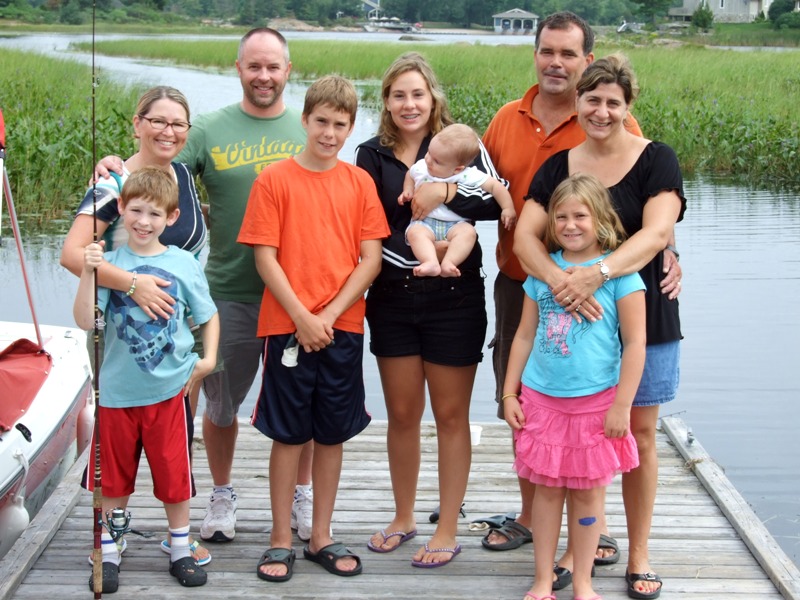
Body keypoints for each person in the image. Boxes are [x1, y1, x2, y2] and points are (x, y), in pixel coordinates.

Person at [93, 28, 318, 546]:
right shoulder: (207, 130)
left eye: (274, 67)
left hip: (298, 296)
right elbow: (154, 161)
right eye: (254, 66)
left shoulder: (308, 128)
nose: (264, 76)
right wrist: (108, 169)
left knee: (302, 404)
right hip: (229, 291)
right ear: (238, 68)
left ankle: (304, 494)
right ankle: (221, 493)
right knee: (220, 406)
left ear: (288, 70)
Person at [478, 12, 679, 583]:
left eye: (612, 103)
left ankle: (636, 552)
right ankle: (565, 551)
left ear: (624, 104)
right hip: (562, 310)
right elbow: (522, 234)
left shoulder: (653, 155)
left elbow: (658, 231)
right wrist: (563, 285)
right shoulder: (556, 166)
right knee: (560, 429)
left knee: (635, 430)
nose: (601, 112)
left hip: (639, 304)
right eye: (593, 103)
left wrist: (596, 274)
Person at [355, 51, 505, 567]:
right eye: (399, 94)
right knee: (401, 414)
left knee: (450, 415)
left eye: (418, 93)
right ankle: (403, 516)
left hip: (454, 296)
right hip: (394, 295)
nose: (409, 103)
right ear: (387, 102)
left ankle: (445, 525)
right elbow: (373, 221)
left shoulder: (463, 146)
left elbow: (492, 204)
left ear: (432, 97)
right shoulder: (370, 154)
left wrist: (442, 189)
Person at [238, 75, 389, 582]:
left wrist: (326, 315)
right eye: (321, 121)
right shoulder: (274, 180)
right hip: (286, 326)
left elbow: (370, 261)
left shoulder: (359, 183)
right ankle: (281, 537)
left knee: (331, 435)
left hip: (342, 325)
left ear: (350, 128)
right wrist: (303, 316)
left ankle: (320, 533)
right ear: (304, 120)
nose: (329, 133)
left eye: (340, 125)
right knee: (288, 433)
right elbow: (265, 257)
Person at [61, 85, 212, 567]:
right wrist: (133, 286)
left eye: (178, 123)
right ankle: (113, 537)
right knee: (120, 455)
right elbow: (72, 256)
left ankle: (179, 536)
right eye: (158, 120)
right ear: (137, 122)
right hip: (125, 338)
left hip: (178, 344)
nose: (168, 131)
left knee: (173, 450)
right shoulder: (113, 182)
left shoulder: (182, 175)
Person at [74, 167, 220, 593]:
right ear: (120, 209)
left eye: (154, 214)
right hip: (116, 394)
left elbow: (207, 316)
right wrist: (88, 271)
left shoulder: (183, 263)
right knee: (113, 479)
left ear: (171, 218)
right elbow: (86, 319)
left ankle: (179, 547)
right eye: (135, 210)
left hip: (168, 392)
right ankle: (110, 549)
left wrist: (207, 360)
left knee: (174, 475)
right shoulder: (110, 264)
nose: (143, 221)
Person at [504, 173, 645, 600]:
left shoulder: (622, 275)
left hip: (595, 404)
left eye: (580, 216)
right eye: (561, 217)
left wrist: (622, 405)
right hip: (543, 401)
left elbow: (636, 342)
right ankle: (543, 580)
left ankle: (583, 582)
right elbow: (524, 335)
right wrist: (510, 392)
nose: (569, 225)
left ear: (600, 218)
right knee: (547, 495)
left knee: (587, 499)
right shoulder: (541, 273)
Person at [398, 123, 516, 277]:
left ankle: (449, 263)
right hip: (425, 222)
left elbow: (496, 186)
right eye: (428, 153)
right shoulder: (422, 167)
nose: (428, 160)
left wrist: (508, 208)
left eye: (437, 161)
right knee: (415, 233)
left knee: (468, 233)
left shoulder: (467, 175)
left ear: (458, 168)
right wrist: (408, 190)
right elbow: (410, 175)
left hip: (456, 224)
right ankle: (430, 262)